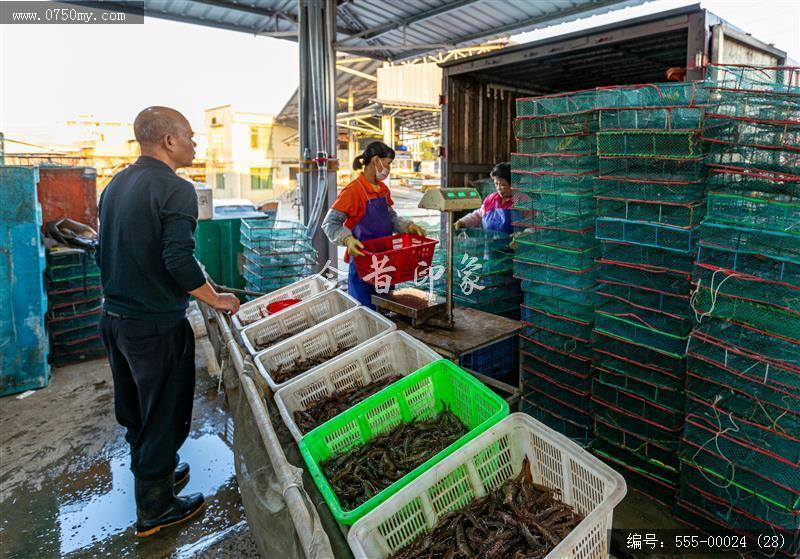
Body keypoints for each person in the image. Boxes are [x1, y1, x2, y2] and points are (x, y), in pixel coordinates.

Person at [97, 106, 240, 537]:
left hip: (115, 319)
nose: (196, 143)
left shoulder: (116, 183)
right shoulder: (176, 190)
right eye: (190, 136)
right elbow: (176, 257)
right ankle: (155, 510)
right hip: (155, 325)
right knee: (164, 413)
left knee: (137, 409)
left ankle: (155, 472)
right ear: (169, 141)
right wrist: (216, 298)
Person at [322, 141, 426, 307]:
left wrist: (407, 226)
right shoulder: (353, 191)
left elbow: (391, 217)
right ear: (376, 160)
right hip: (364, 262)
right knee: (365, 311)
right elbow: (330, 223)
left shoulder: (382, 189)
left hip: (386, 260)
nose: (389, 169)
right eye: (388, 163)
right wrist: (348, 240)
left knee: (388, 308)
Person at [454, 162, 514, 233]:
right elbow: (479, 214)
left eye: (503, 185)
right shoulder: (492, 199)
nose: (498, 188)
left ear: (512, 184)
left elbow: (529, 226)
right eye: (496, 184)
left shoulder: (522, 201)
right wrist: (463, 222)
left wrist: (521, 235)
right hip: (490, 242)